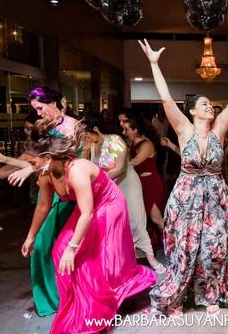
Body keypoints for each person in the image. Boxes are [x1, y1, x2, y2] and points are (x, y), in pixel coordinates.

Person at [138, 37, 228, 316]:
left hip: (216, 198)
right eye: (204, 104)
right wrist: (154, 64)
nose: (209, 107)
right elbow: (166, 98)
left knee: (214, 247)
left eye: (211, 104)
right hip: (186, 197)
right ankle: (178, 296)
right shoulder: (183, 129)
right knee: (184, 247)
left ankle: (210, 292)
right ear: (192, 110)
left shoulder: (219, 130)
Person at [22, 125, 155, 333]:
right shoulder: (46, 174)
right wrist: (31, 237)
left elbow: (87, 214)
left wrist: (73, 247)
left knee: (89, 257)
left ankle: (97, 309)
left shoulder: (76, 170)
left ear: (47, 157)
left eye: (32, 163)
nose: (32, 167)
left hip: (109, 204)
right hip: (89, 207)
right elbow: (43, 206)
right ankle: (75, 304)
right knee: (59, 251)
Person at [17, 87, 82, 317]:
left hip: (72, 189)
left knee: (65, 246)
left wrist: (32, 169)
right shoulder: (44, 127)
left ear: (54, 103)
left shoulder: (74, 126)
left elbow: (69, 158)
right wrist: (8, 165)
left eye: (40, 107)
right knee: (42, 243)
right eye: (35, 109)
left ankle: (70, 296)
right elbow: (33, 155)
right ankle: (54, 296)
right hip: (51, 186)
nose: (38, 112)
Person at [79, 111, 165, 273]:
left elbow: (120, 169)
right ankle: (125, 259)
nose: (86, 137)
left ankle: (152, 261)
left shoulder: (114, 140)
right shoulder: (92, 146)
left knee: (135, 221)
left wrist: (97, 182)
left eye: (86, 134)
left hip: (127, 183)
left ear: (95, 129)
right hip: (110, 188)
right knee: (117, 224)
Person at [122, 114, 167, 239]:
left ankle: (173, 242)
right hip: (141, 184)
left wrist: (116, 163)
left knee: (156, 218)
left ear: (135, 130)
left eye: (126, 129)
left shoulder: (146, 144)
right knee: (146, 218)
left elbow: (135, 162)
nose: (123, 132)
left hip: (151, 184)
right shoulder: (132, 144)